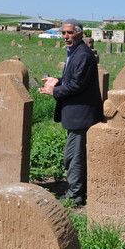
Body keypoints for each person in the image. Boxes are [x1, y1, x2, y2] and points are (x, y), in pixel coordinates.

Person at [38, 19, 103, 206]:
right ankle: (77, 191)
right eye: (64, 33)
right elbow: (72, 79)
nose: (66, 37)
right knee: (74, 155)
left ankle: (75, 196)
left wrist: (54, 91)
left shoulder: (82, 55)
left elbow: (76, 85)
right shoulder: (75, 52)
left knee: (74, 157)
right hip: (76, 115)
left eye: (70, 33)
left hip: (81, 117)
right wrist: (57, 81)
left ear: (80, 34)